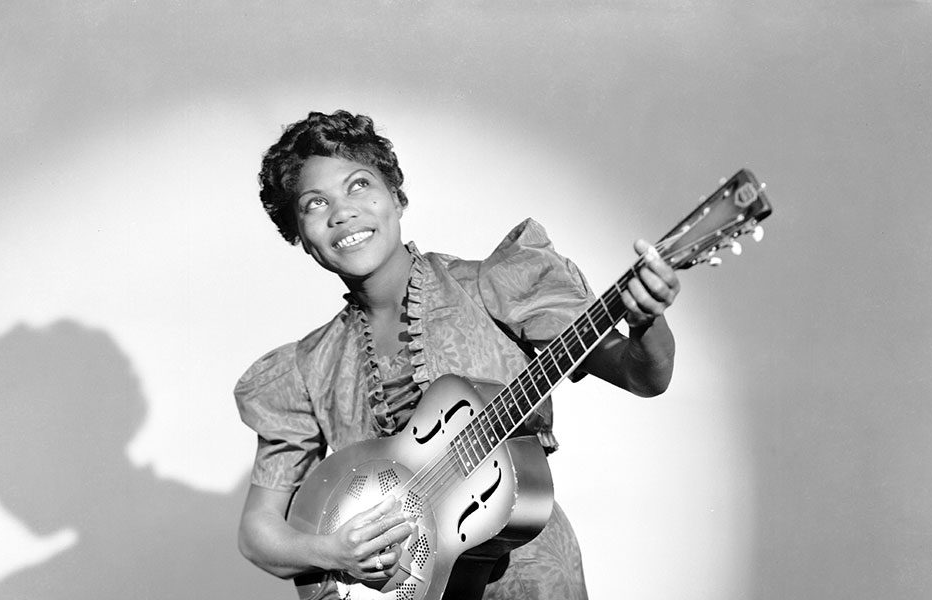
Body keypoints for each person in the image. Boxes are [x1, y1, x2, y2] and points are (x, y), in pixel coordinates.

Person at [234, 110, 680, 599]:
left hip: (526, 579)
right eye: (315, 203)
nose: (342, 212)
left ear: (397, 198)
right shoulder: (306, 368)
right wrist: (334, 555)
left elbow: (643, 376)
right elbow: (259, 534)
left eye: (359, 185)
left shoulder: (495, 285)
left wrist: (646, 321)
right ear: (298, 235)